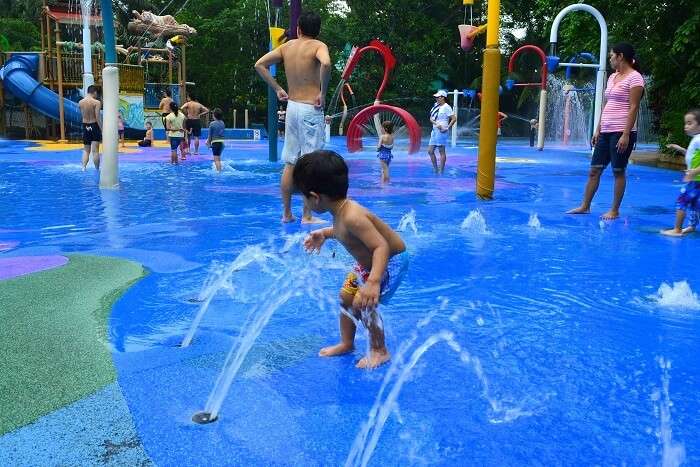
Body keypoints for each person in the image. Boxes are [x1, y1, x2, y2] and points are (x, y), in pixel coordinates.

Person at [295, 150, 408, 369]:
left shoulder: (353, 216)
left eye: (303, 196)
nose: (304, 201)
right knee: (346, 296)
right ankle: (347, 343)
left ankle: (379, 350)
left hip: (389, 262)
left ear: (315, 197)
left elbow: (380, 246)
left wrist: (373, 282)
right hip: (368, 264)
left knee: (361, 302)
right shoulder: (341, 212)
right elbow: (341, 230)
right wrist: (324, 234)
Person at [254, 10, 331, 223]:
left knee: (289, 163)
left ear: (298, 29)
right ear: (318, 31)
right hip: (309, 109)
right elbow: (326, 64)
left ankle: (287, 214)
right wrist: (322, 93)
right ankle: (307, 216)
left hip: (292, 108)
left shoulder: (287, 47)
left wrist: (278, 88)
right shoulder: (318, 46)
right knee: (310, 164)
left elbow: (259, 64)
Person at [567, 43, 645, 220]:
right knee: (594, 170)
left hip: (621, 131)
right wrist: (598, 129)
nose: (610, 59)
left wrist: (626, 133)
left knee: (618, 171)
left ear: (620, 56)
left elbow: (633, 107)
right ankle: (585, 206)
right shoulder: (612, 77)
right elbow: (606, 105)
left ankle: (614, 211)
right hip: (606, 130)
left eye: (611, 56)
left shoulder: (636, 78)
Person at [661, 109, 700, 236]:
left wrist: (694, 171)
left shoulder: (699, 139)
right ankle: (692, 226)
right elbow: (692, 154)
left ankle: (677, 229)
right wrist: (679, 148)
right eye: (685, 123)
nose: (686, 126)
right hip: (696, 179)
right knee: (695, 203)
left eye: (690, 123)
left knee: (682, 201)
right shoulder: (696, 139)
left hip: (695, 179)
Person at [427, 90, 456, 174]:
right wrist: (436, 124)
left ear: (443, 98)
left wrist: (447, 128)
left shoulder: (447, 107)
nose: (436, 98)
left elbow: (454, 118)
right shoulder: (436, 105)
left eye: (438, 97)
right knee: (430, 151)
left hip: (442, 131)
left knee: (441, 151)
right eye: (435, 97)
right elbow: (431, 118)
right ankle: (436, 169)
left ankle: (441, 171)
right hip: (435, 129)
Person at [78, 84, 101, 171]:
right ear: (94, 92)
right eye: (96, 93)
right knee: (95, 151)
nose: (97, 95)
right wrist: (102, 129)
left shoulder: (80, 102)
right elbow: (97, 117)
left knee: (86, 150)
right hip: (94, 125)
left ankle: (83, 167)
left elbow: (82, 115)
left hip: (85, 126)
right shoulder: (96, 102)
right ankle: (97, 169)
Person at [207, 108, 226, 172]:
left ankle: (219, 172)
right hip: (222, 142)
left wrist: (208, 143)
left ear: (214, 115)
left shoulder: (212, 124)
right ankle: (219, 169)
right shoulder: (222, 123)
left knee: (216, 159)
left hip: (215, 143)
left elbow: (210, 135)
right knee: (218, 157)